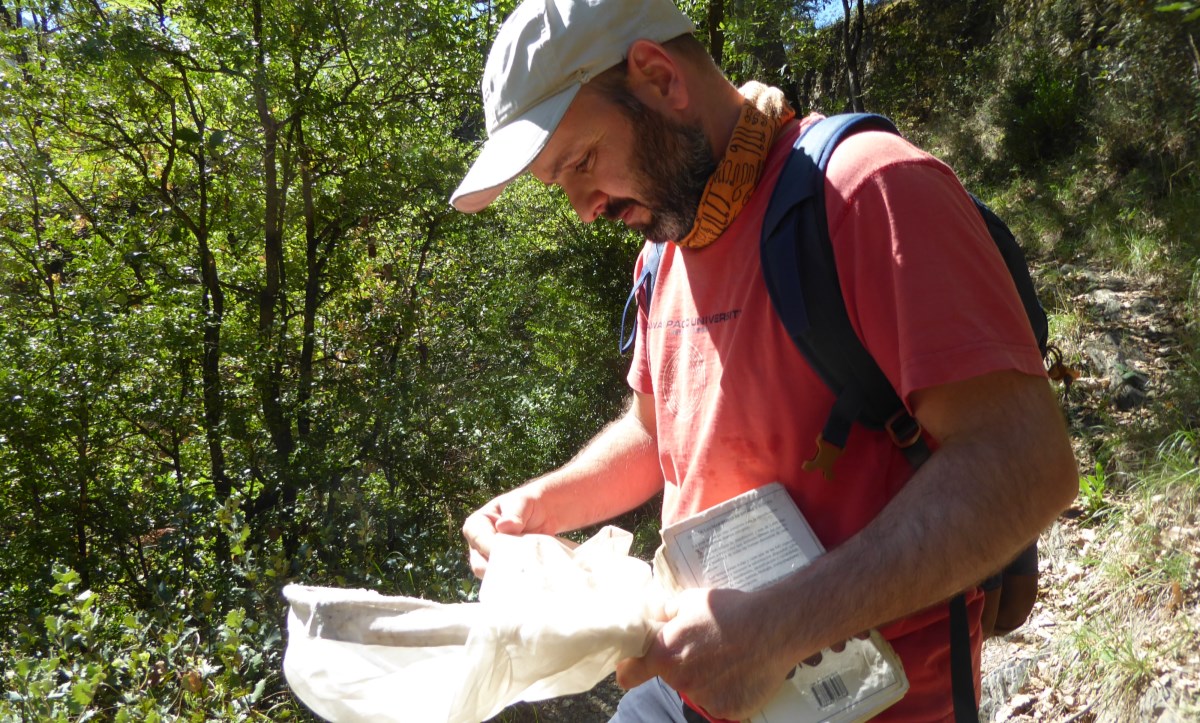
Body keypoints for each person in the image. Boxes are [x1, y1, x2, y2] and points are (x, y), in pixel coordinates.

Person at [450, 0, 1079, 720]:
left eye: (582, 163)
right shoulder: (663, 255)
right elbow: (659, 434)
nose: (583, 208)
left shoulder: (867, 190)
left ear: (659, 77)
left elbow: (1026, 461)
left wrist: (780, 627)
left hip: (877, 700)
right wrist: (536, 506)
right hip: (700, 683)